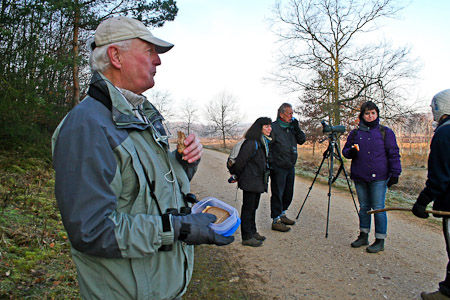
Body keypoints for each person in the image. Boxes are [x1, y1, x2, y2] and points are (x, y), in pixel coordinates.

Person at [52, 16, 233, 300]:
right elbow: (91, 230)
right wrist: (178, 228)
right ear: (116, 56)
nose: (157, 61)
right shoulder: (88, 127)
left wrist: (183, 163)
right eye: (149, 51)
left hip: (160, 287)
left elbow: (146, 189)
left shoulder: (138, 115)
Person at [342, 101, 401, 253]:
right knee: (364, 208)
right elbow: (346, 151)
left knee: (379, 208)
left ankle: (380, 240)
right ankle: (363, 235)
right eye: (367, 113)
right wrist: (351, 152)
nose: (370, 116)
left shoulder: (385, 132)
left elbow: (393, 153)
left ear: (377, 114)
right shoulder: (355, 133)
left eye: (373, 113)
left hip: (379, 177)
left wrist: (395, 173)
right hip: (360, 175)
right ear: (362, 115)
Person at [412, 89, 450, 300]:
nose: (432, 110)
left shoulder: (445, 133)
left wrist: (422, 201)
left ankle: (447, 293)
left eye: (433, 106)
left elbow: (440, 176)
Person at [234, 117, 272, 247]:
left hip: (257, 181)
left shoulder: (263, 143)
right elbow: (240, 162)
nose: (269, 129)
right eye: (266, 126)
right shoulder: (251, 143)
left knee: (253, 207)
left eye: (270, 126)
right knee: (248, 209)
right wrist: (237, 176)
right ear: (259, 128)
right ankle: (247, 236)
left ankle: (253, 231)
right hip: (250, 181)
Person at [269, 103, 306, 232]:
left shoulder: (291, 127)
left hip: (290, 165)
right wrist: (272, 162)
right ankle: (276, 219)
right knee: (277, 193)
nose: (291, 116)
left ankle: (282, 213)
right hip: (278, 166)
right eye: (289, 113)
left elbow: (302, 140)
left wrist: (297, 127)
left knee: (288, 192)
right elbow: (268, 146)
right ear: (281, 114)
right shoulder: (273, 127)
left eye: (292, 113)